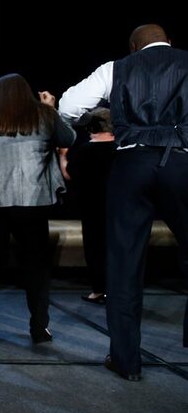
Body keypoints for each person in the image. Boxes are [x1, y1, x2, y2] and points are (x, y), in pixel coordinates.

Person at [58, 24, 187, 381]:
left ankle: (126, 361)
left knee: (125, 264)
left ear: (133, 48)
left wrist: (91, 120)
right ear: (169, 43)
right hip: (180, 161)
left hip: (131, 164)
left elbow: (68, 105)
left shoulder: (116, 68)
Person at [0, 74, 75, 343]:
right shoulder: (43, 115)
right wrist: (49, 107)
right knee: (36, 266)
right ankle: (39, 327)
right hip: (32, 202)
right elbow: (68, 138)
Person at [63, 107, 116, 304]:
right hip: (118, 209)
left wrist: (62, 155)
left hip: (92, 208)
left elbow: (69, 174)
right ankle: (117, 290)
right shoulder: (121, 149)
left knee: (95, 248)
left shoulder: (85, 151)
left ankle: (98, 290)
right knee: (117, 248)